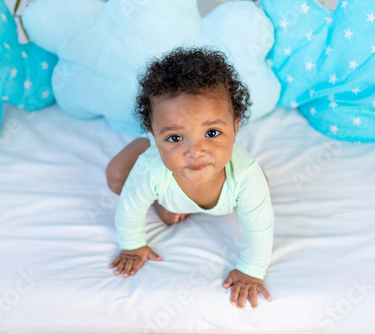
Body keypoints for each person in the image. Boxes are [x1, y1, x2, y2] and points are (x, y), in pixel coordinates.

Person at [106, 47, 274, 309]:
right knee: (117, 177)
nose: (196, 152)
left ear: (235, 126)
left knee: (262, 184)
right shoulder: (150, 169)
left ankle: (168, 187)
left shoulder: (245, 176)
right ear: (154, 133)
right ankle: (160, 198)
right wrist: (132, 245)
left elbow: (260, 229)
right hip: (158, 173)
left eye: (212, 133)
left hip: (236, 179)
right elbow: (129, 208)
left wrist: (251, 270)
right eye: (175, 138)